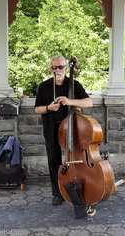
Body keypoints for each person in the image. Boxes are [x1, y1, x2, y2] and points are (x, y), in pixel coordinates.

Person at [34, 55, 94, 218]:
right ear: (50, 69)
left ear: (66, 68)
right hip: (51, 127)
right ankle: (57, 193)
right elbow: (37, 109)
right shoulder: (44, 86)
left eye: (60, 67)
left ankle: (80, 187)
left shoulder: (73, 84)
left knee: (75, 157)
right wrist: (48, 108)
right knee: (54, 160)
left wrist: (70, 101)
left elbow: (89, 103)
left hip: (71, 129)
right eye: (54, 68)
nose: (57, 70)